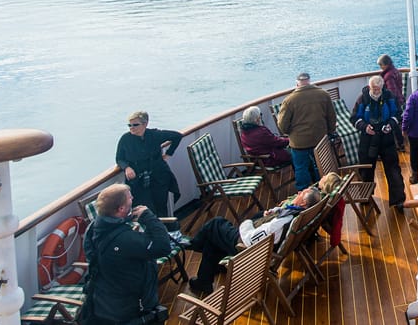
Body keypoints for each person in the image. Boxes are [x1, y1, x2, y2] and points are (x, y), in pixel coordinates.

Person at [185, 178, 334, 296]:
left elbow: (249, 239)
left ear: (302, 203)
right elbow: (274, 222)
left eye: (302, 193)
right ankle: (205, 278)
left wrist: (246, 223)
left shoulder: (282, 223)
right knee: (213, 241)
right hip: (263, 242)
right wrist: (273, 212)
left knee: (216, 224)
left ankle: (193, 245)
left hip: (248, 248)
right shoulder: (297, 215)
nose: (299, 191)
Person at [81, 184, 172, 325]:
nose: (133, 198)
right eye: (130, 198)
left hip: (104, 301)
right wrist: (148, 217)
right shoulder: (125, 240)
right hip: (131, 308)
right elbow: (163, 247)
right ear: (121, 209)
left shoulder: (93, 229)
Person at [115, 111, 182, 232]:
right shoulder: (125, 139)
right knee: (142, 207)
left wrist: (168, 154)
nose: (132, 128)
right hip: (138, 179)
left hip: (158, 176)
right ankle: (149, 233)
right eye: (129, 125)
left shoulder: (154, 135)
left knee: (161, 205)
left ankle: (166, 232)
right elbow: (119, 158)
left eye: (135, 125)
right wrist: (127, 168)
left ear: (145, 124)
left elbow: (177, 136)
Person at [352, 75, 406, 210]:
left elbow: (397, 114)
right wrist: (365, 127)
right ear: (369, 87)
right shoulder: (362, 99)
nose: (375, 91)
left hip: (386, 137)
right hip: (368, 139)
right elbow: (354, 118)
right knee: (365, 169)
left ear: (382, 87)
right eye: (373, 88)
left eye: (378, 89)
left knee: (393, 169)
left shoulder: (389, 97)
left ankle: (398, 200)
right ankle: (366, 197)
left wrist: (390, 125)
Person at [277, 71, 336, 192]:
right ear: (309, 81)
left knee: (301, 169)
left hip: (299, 142)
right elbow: (332, 117)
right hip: (320, 140)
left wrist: (291, 133)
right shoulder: (323, 94)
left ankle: (305, 196)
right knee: (322, 166)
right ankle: (324, 190)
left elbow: (282, 126)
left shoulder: (289, 100)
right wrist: (329, 132)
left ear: (297, 84)